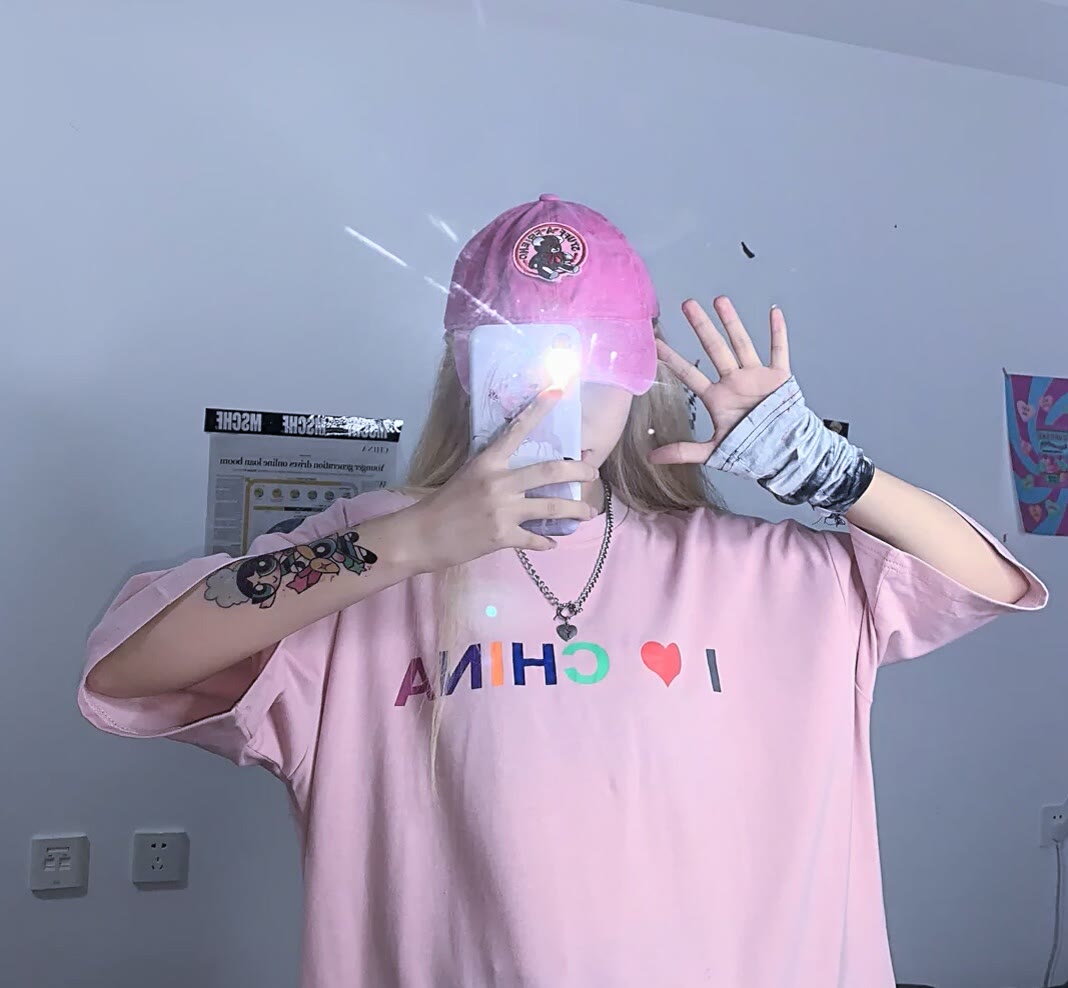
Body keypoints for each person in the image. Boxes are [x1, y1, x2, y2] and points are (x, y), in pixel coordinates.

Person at [79, 194, 1047, 988]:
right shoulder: (364, 558)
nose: (555, 403)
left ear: (643, 369)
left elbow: (986, 579)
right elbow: (128, 670)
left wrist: (830, 473)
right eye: (522, 367)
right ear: (465, 371)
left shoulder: (759, 569)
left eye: (592, 366)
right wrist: (413, 541)